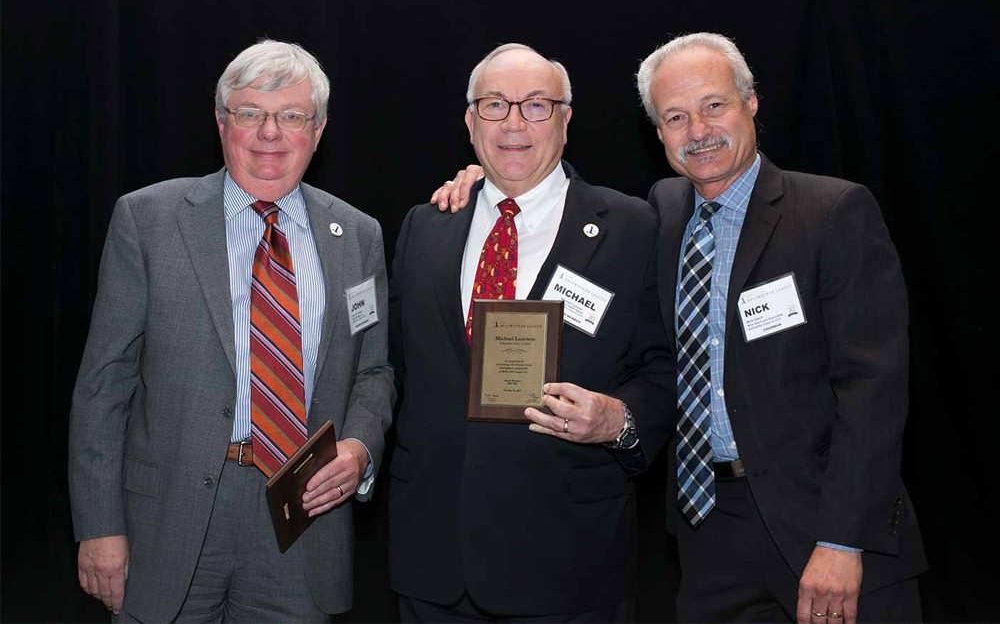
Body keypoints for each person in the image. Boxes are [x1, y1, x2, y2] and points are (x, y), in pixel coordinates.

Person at [431, 33, 926, 624]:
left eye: (714, 106)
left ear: (752, 103)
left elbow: (873, 392)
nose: (699, 131)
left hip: (822, 527)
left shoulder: (831, 213)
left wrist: (843, 541)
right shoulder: (659, 215)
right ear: (658, 132)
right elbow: (557, 194)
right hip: (706, 528)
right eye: (675, 117)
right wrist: (487, 179)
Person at [68, 39, 394, 622]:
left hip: (300, 516)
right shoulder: (149, 220)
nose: (271, 133)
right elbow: (102, 387)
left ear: (317, 131)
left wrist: (361, 445)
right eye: (250, 113)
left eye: (291, 116)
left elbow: (373, 369)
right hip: (167, 520)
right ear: (222, 123)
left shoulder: (358, 235)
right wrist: (99, 527)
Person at [389, 43, 673, 622]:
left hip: (569, 565)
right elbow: (391, 367)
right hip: (435, 565)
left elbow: (665, 366)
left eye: (536, 105)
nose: (514, 122)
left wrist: (619, 420)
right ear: (470, 123)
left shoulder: (634, 228)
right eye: (494, 105)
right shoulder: (424, 226)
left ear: (566, 121)